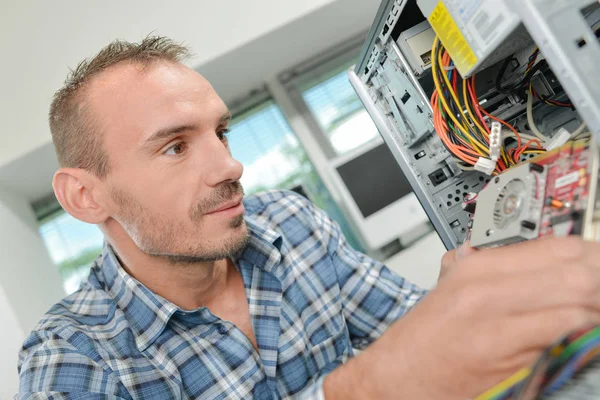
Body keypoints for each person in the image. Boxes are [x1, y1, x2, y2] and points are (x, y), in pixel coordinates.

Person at [17, 36, 600, 400]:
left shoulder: (290, 226)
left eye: (221, 132)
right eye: (175, 147)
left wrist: (461, 304)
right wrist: (367, 388)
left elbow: (414, 329)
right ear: (86, 198)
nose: (230, 165)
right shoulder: (71, 358)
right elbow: (398, 372)